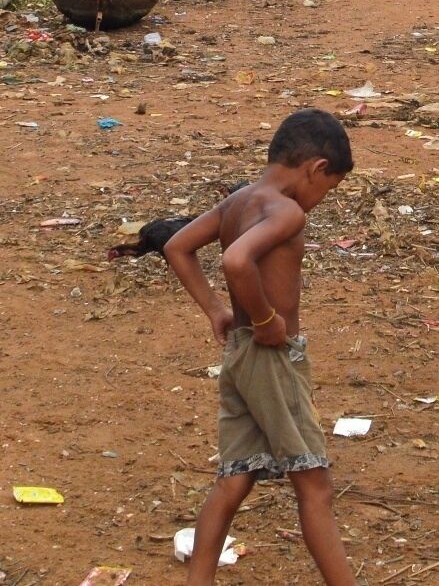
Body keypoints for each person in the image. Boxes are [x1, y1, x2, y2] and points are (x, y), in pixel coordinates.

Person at [163, 110, 359, 586]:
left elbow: (176, 247)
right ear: (316, 168)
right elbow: (236, 260)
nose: (320, 201)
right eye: (327, 189)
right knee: (315, 486)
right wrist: (269, 321)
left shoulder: (238, 202)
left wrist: (217, 312)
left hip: (239, 354)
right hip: (272, 360)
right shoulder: (286, 211)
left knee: (234, 479)